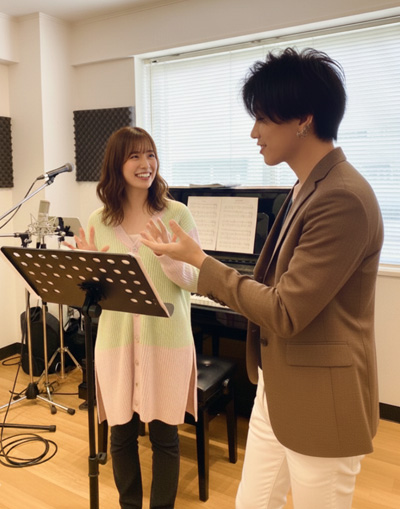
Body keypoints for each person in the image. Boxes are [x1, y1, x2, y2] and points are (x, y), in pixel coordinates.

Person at [140, 47, 384, 509]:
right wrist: (187, 268)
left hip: (321, 398)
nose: (254, 133)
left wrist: (203, 263)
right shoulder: (304, 186)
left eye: (261, 119)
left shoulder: (343, 197)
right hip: (279, 384)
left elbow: (284, 310)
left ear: (303, 120)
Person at [65, 126, 200, 509]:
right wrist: (88, 271)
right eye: (135, 156)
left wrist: (168, 257)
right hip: (116, 343)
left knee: (165, 439)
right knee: (120, 436)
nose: (146, 164)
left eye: (151, 154)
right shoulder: (99, 220)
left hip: (167, 343)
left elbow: (196, 280)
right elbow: (94, 294)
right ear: (117, 164)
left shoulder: (177, 214)